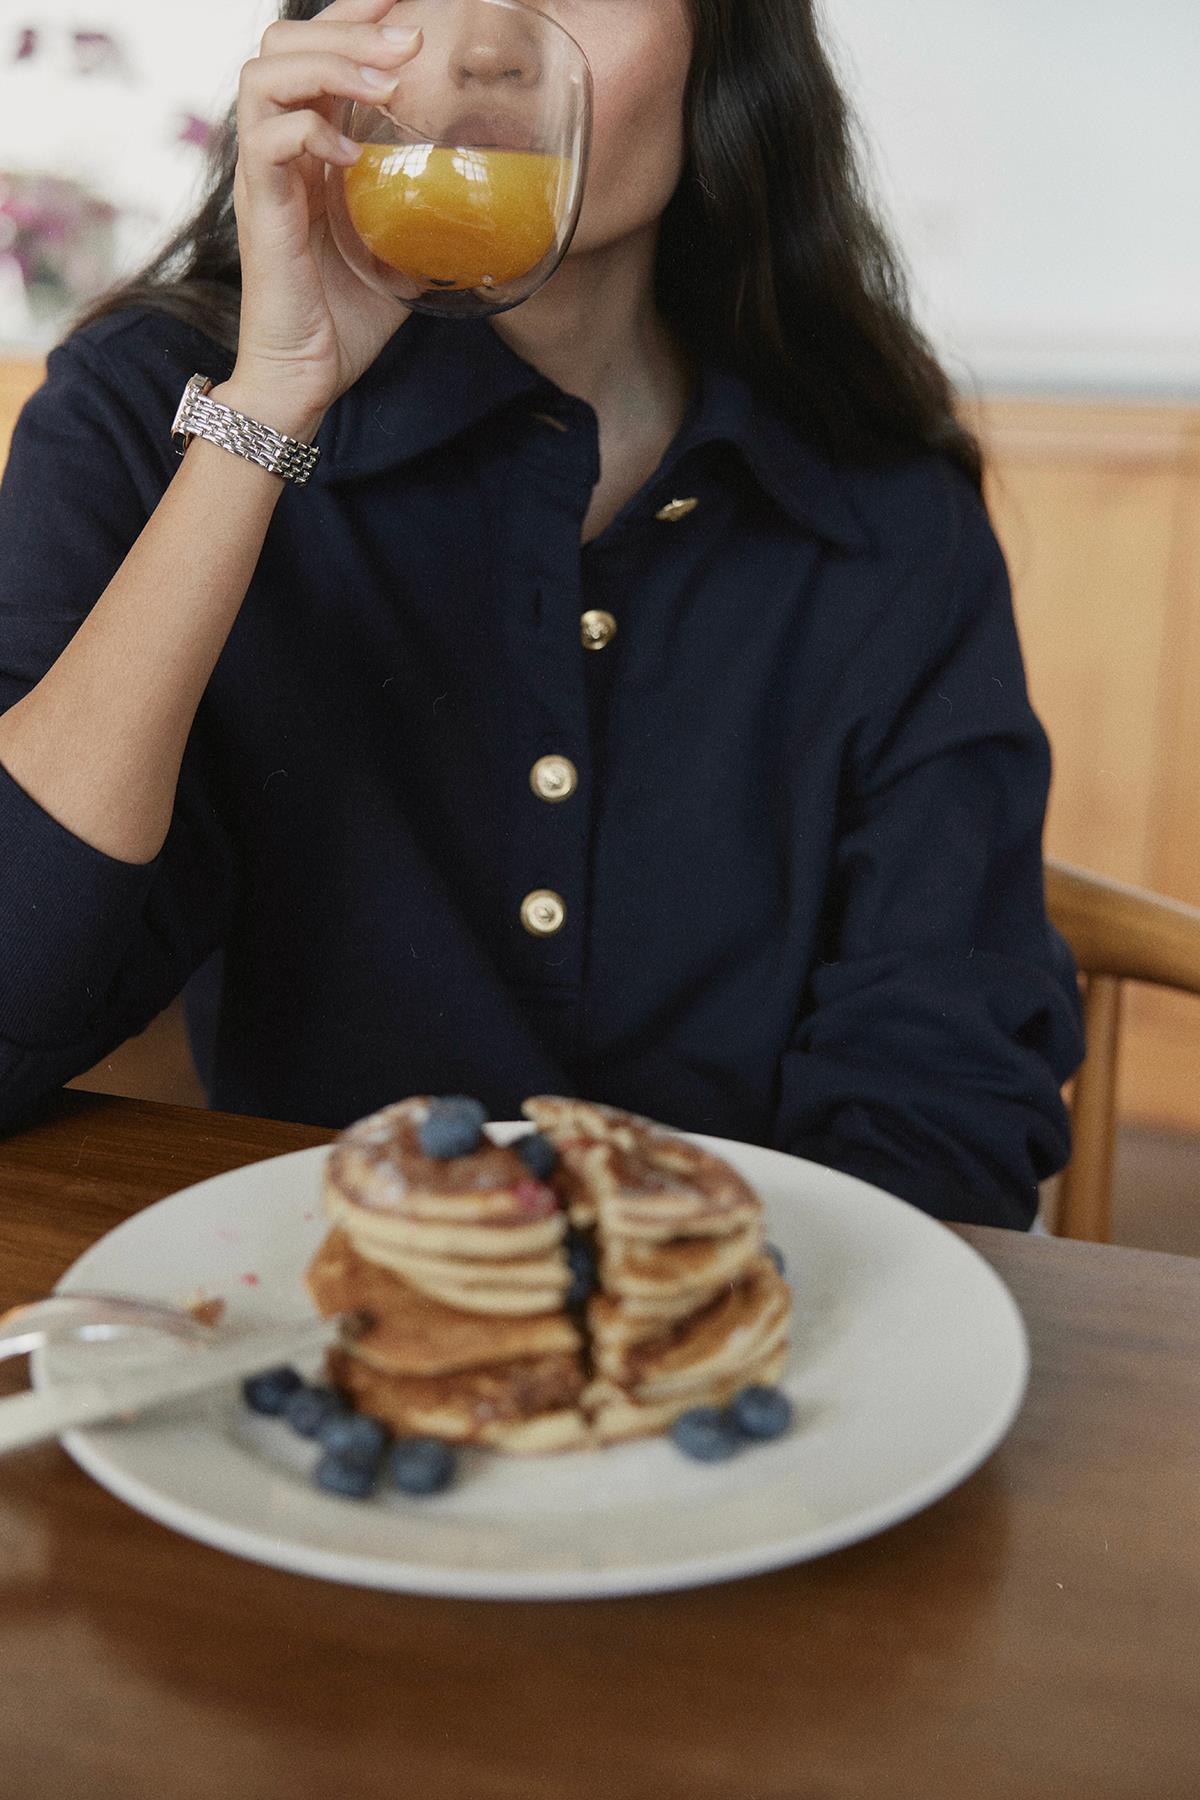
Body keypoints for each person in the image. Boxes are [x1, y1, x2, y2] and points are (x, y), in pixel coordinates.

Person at [0, 0, 1082, 1227]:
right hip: (318, 1322)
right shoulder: (154, 409)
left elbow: (946, 1090)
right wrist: (273, 406)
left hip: (767, 1335)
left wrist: (716, 1333)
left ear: (724, 42)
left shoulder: (883, 495)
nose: (480, 46)